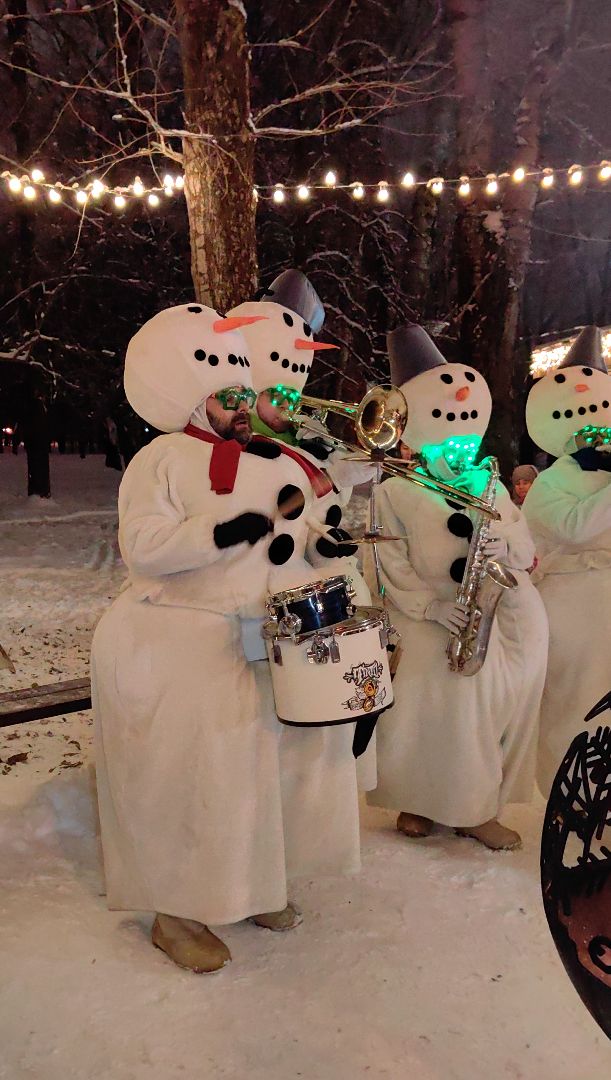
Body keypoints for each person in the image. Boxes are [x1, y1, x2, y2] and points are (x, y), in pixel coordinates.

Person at [92, 302, 361, 975]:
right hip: (175, 643)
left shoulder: (275, 460)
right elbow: (143, 546)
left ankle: (250, 886)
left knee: (254, 776)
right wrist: (216, 534)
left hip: (256, 642)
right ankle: (175, 913)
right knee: (187, 781)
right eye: (229, 398)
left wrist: (326, 547)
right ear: (194, 398)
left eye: (245, 393)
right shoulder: (160, 459)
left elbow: (297, 534)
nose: (243, 407)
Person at [366, 324, 549, 850]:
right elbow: (386, 561)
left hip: (482, 616)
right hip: (426, 617)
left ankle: (474, 808)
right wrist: (427, 607)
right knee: (422, 712)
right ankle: (417, 800)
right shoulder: (394, 492)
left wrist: (504, 547)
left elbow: (523, 545)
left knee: (477, 711)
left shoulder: (490, 485)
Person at [522, 325, 611, 796]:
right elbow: (574, 528)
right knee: (572, 699)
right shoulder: (550, 482)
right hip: (571, 600)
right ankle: (563, 789)